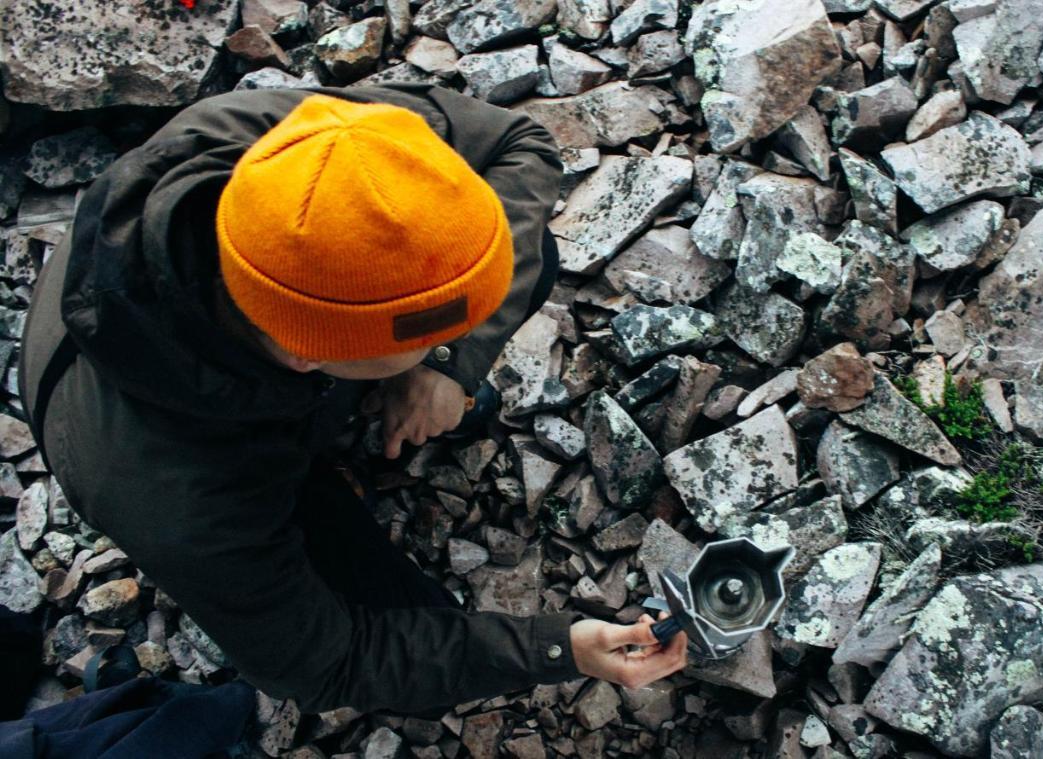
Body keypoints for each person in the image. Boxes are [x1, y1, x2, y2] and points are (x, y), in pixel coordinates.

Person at [18, 83, 687, 715]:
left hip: (257, 361)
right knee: (412, 633)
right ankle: (329, 464)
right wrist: (556, 646)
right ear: (320, 357)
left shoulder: (302, 157)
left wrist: (449, 364)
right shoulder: (186, 501)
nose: (467, 335)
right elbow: (325, 664)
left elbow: (521, 144)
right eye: (436, 335)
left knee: (518, 244)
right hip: (212, 446)